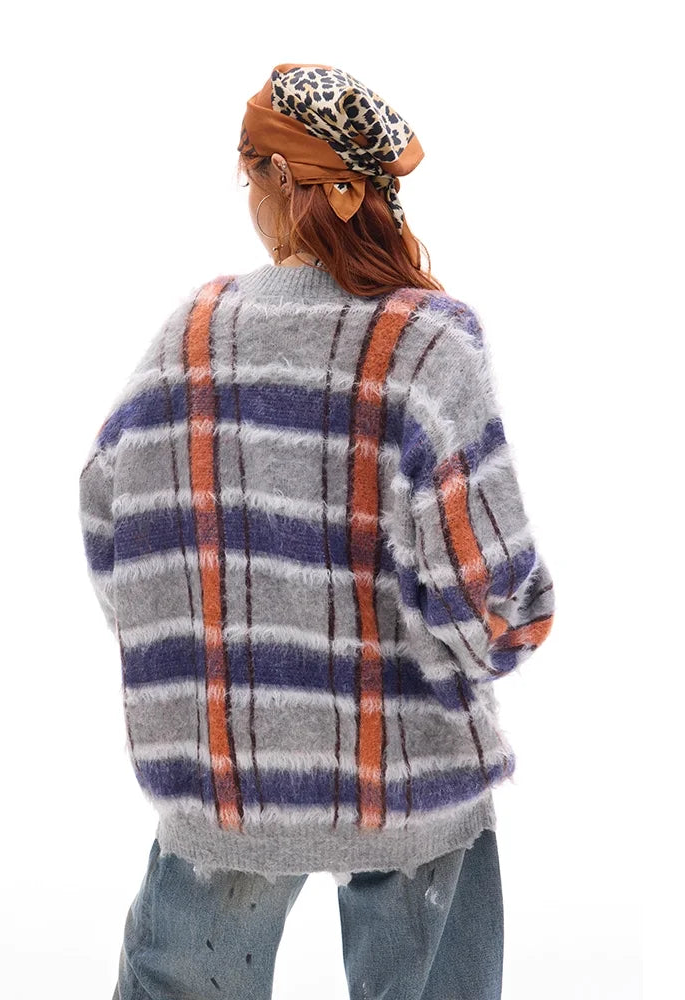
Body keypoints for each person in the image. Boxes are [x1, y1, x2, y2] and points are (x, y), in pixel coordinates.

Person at [79, 62, 556, 1000]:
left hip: (230, 774)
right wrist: (501, 638)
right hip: (410, 769)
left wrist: (190, 650)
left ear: (279, 182)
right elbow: (489, 590)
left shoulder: (193, 337)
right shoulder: (430, 344)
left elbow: (107, 502)